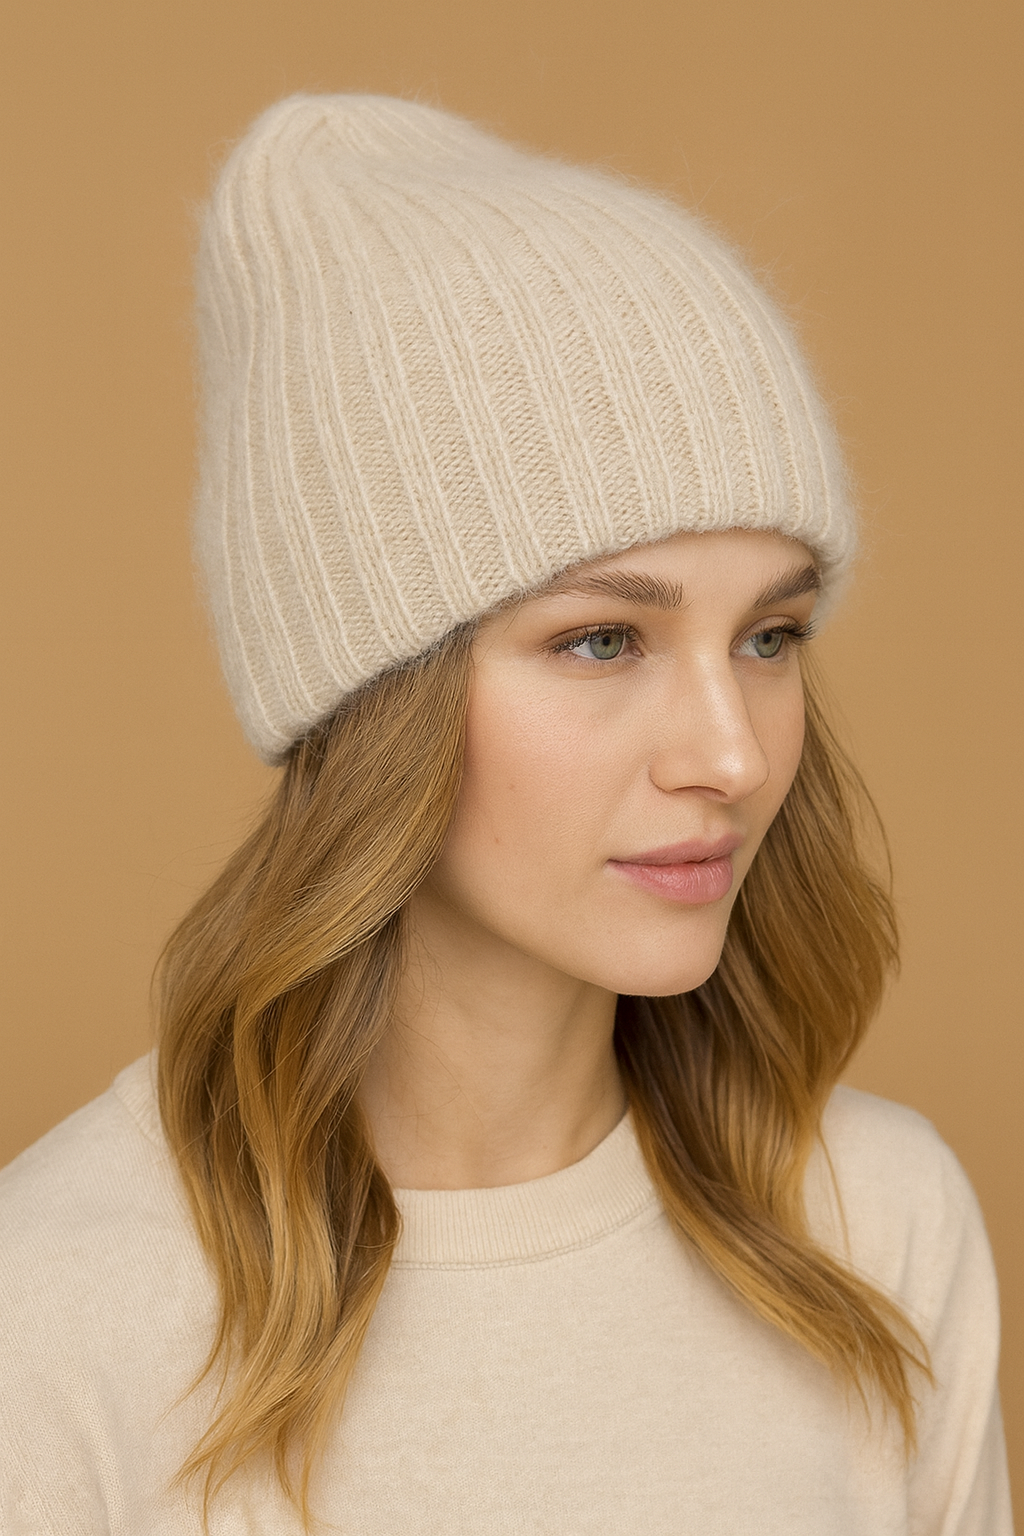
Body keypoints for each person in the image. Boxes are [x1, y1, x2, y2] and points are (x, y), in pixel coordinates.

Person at [0, 94, 1012, 1535]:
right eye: (603, 640)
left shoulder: (878, 1226)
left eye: (770, 637)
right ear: (371, 702)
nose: (731, 753)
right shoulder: (55, 1318)